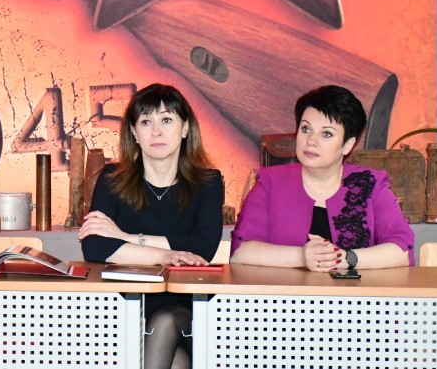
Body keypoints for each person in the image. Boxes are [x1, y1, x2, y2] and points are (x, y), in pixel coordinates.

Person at [79, 83, 224, 369]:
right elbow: (95, 246)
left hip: (186, 305)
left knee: (165, 322)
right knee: (176, 362)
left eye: (166, 120)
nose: (156, 131)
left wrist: (125, 237)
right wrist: (165, 255)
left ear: (185, 128)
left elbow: (202, 247)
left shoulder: (207, 182)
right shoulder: (112, 178)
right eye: (146, 122)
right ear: (134, 133)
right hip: (125, 303)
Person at [230, 85, 414, 271]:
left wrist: (343, 259)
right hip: (284, 289)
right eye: (306, 129)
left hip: (353, 290)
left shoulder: (369, 184)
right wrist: (300, 257)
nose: (311, 141)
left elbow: (402, 251)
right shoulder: (270, 182)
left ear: (348, 145)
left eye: (326, 134)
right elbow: (241, 252)